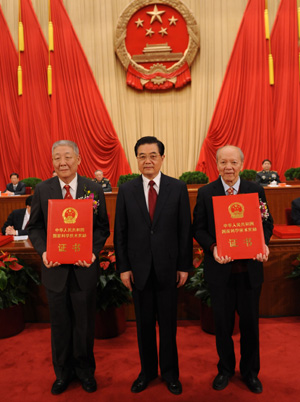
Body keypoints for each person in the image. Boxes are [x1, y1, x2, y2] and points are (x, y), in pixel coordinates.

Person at [28, 140, 110, 395]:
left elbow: (102, 228)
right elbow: (34, 227)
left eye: (67, 156)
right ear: (52, 162)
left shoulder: (93, 188)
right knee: (60, 326)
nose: (62, 162)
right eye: (56, 158)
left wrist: (93, 252)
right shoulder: (42, 189)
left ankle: (86, 372)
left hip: (83, 269)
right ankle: (62, 374)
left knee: (84, 325)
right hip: (55, 271)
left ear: (78, 159)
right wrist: (43, 252)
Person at [114, 136, 193, 396]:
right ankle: (146, 373)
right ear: (136, 159)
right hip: (139, 271)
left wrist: (184, 266)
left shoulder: (177, 187)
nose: (147, 160)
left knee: (168, 327)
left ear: (162, 158)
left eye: (153, 155)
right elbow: (120, 232)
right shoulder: (126, 190)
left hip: (169, 269)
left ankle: (170, 374)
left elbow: (184, 229)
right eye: (141, 156)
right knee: (144, 327)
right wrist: (124, 267)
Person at [193, 145, 273, 394]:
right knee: (223, 325)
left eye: (234, 163)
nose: (229, 167)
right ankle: (225, 369)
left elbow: (267, 222)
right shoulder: (207, 193)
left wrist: (263, 243)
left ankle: (250, 372)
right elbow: (199, 229)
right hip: (221, 272)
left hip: (249, 272)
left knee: (250, 325)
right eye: (223, 163)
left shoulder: (255, 189)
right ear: (216, 164)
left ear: (242, 164)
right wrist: (213, 246)